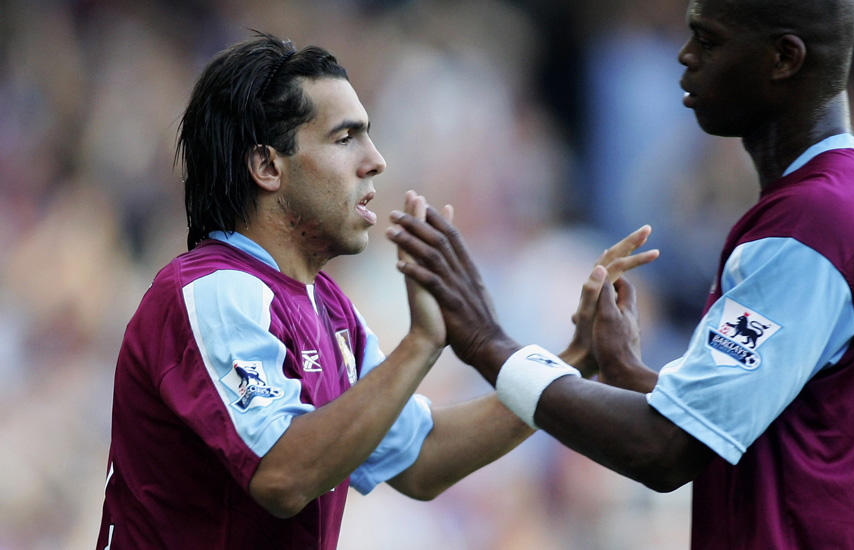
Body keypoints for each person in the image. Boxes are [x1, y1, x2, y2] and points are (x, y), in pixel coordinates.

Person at [386, 0, 854, 547]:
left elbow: (665, 450)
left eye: (708, 39)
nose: (685, 56)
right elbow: (792, 424)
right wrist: (631, 374)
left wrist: (487, 344)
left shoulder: (815, 225)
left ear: (783, 58)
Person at [95, 32, 655, 549]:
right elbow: (283, 477)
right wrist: (420, 345)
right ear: (267, 165)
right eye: (346, 137)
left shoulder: (327, 306)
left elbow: (420, 459)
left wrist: (574, 360)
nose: (376, 160)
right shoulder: (216, 292)